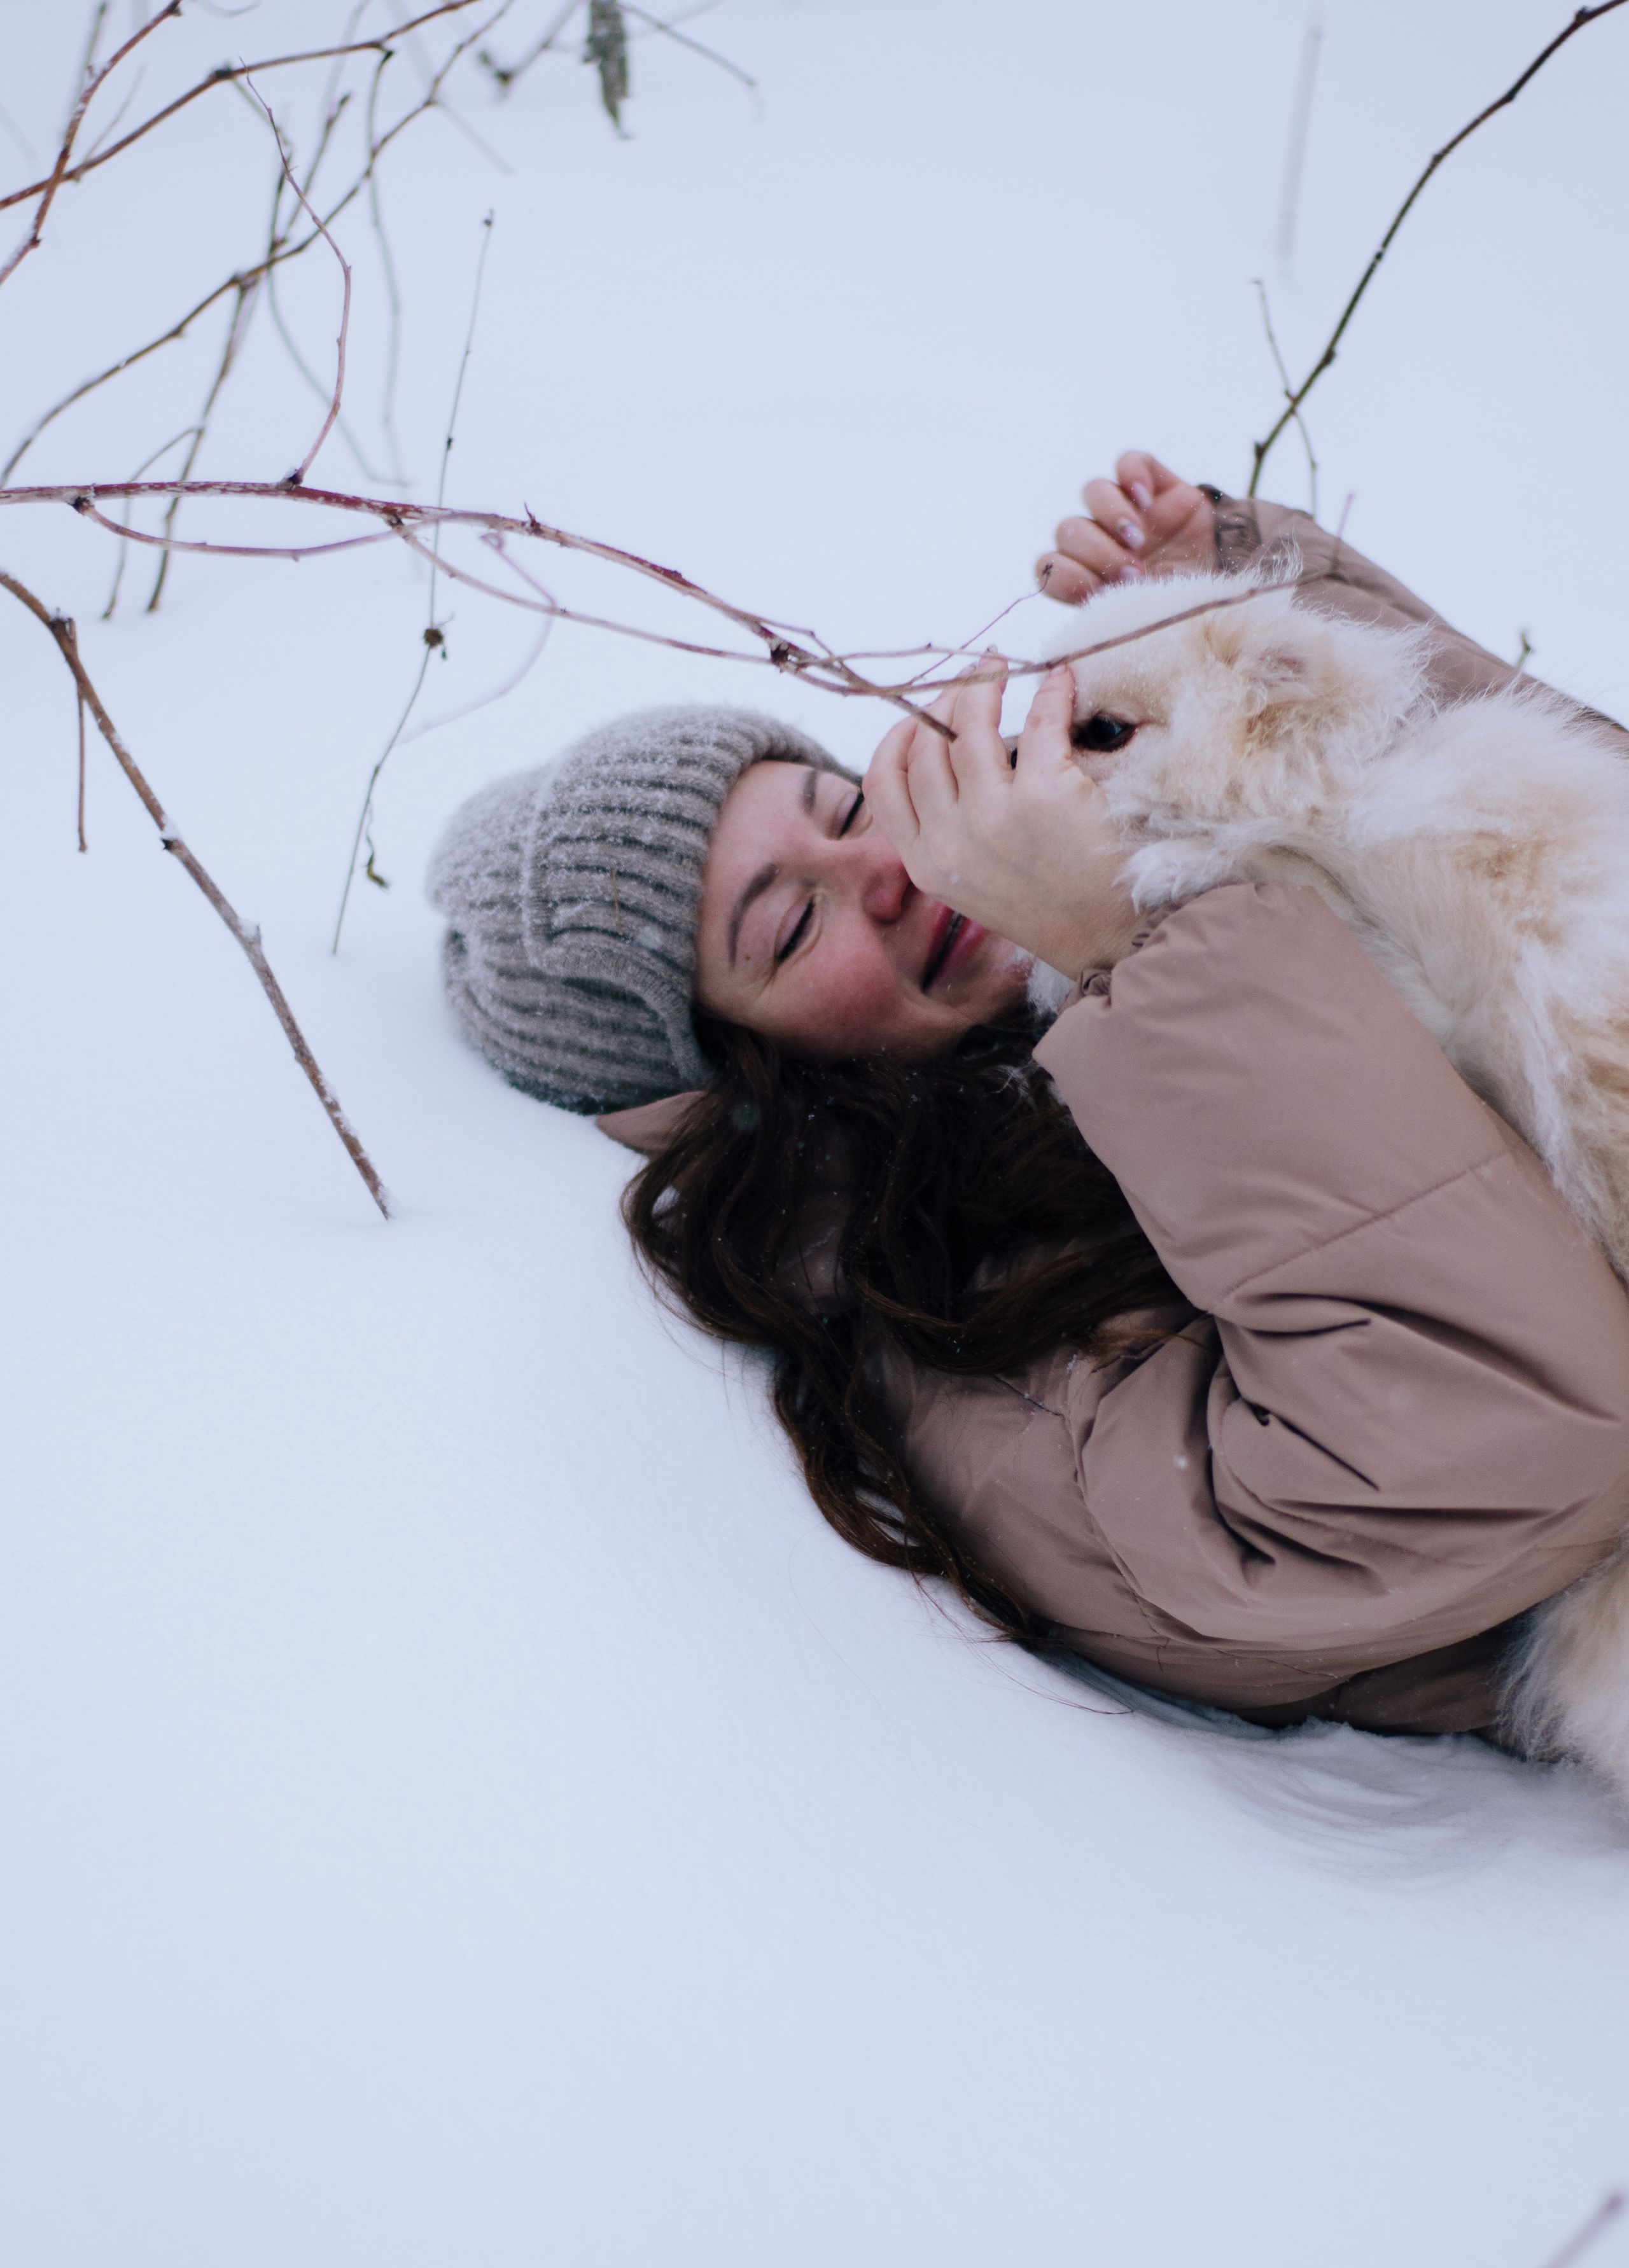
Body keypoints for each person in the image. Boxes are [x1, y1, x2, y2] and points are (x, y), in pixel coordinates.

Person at [428, 455, 1629, 1748]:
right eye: (788, 924)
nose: (885, 870)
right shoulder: (936, 1295)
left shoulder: (1165, 929)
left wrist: (1235, 639)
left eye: (845, 809)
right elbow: (1498, 1438)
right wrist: (1137, 963)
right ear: (738, 1083)